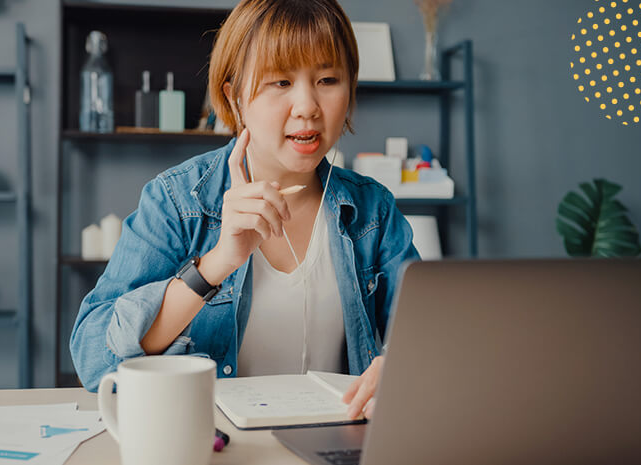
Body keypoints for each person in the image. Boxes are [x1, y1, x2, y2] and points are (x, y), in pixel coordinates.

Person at [70, 0, 419, 419]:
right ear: (234, 97)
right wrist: (218, 263)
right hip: (216, 446)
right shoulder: (178, 200)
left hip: (334, 443)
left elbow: (429, 337)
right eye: (280, 82)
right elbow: (92, 357)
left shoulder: (372, 208)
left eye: (328, 79)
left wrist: (402, 366)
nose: (307, 106)